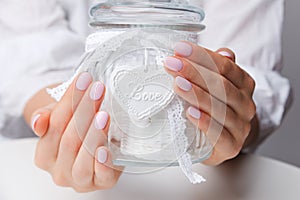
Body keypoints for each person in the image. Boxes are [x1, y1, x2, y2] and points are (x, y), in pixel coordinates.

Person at [0, 0, 291, 192]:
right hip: (33, 180)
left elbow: (251, 75)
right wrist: (61, 121)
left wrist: (233, 114)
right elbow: (32, 54)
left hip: (208, 188)